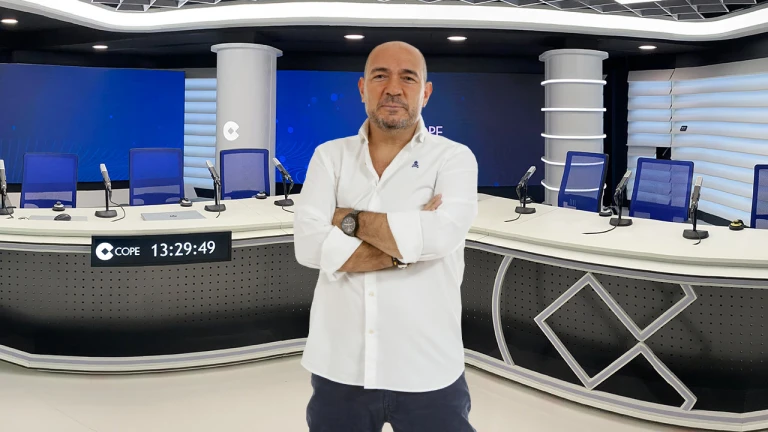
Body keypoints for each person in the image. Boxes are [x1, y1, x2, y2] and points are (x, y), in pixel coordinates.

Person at [293, 41, 478, 432]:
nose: (393, 88)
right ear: (363, 88)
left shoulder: (454, 158)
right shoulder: (329, 156)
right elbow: (309, 246)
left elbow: (441, 237)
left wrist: (345, 219)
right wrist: (409, 242)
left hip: (428, 367)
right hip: (340, 367)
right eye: (380, 76)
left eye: (408, 78)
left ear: (425, 92)